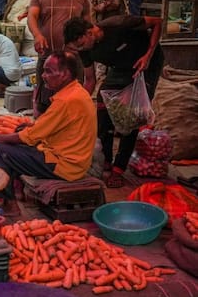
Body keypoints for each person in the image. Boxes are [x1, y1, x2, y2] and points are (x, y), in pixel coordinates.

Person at [0, 51, 96, 215]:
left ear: (65, 74)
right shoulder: (76, 92)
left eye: (49, 71)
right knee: (13, 143)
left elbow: (31, 137)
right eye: (44, 70)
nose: (43, 75)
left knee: (1, 151)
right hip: (69, 159)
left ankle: (8, 204)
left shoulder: (66, 100)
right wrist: (26, 128)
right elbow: (45, 127)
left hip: (65, 165)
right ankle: (14, 192)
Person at [64, 15, 164, 188]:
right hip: (120, 68)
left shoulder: (118, 24)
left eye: (81, 44)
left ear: (89, 32)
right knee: (102, 106)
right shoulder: (85, 50)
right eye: (77, 47)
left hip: (147, 64)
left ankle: (119, 168)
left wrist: (148, 55)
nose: (80, 49)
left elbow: (157, 22)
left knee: (130, 116)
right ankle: (106, 160)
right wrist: (78, 104)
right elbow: (90, 81)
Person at [27, 0, 92, 115]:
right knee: (44, 104)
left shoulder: (81, 0)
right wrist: (37, 35)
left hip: (73, 60)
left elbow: (88, 28)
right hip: (47, 58)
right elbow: (31, 17)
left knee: (72, 104)